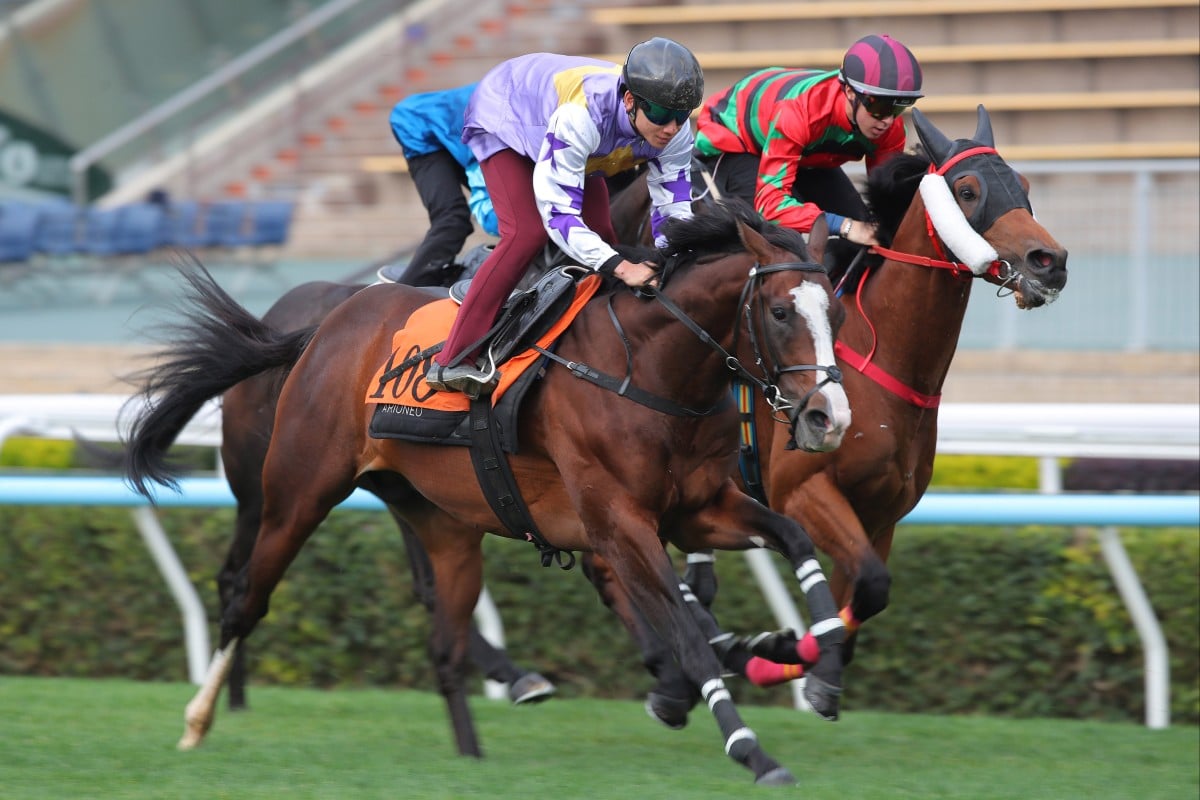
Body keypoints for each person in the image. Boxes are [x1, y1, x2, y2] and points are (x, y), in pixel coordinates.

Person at [424, 37, 705, 396]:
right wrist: (624, 268)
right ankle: (452, 360)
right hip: (507, 111)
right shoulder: (582, 115)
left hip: (570, 128)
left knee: (604, 236)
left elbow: (674, 214)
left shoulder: (676, 133)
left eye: (682, 116)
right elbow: (558, 215)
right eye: (663, 115)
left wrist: (675, 267)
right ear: (631, 100)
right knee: (526, 233)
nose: (672, 128)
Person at [693, 34, 923, 253]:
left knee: (872, 233)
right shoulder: (799, 113)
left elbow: (885, 204)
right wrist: (845, 226)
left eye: (898, 108)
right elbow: (771, 205)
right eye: (880, 108)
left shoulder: (890, 127)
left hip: (805, 151)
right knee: (776, 240)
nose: (888, 121)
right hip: (736, 141)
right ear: (851, 93)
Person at [381, 83, 500, 287]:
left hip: (459, 130)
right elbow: (493, 216)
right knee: (453, 220)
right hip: (419, 127)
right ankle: (404, 291)